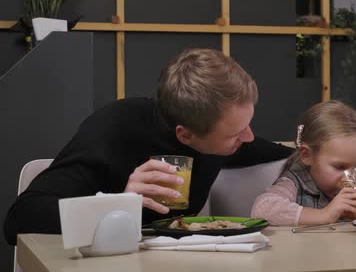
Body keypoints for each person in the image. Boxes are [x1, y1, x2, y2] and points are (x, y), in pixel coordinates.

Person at [4, 48, 292, 245]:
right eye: (235, 134)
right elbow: (20, 218)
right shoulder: (113, 131)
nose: (249, 139)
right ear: (186, 136)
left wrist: (309, 152)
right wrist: (121, 203)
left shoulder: (218, 137)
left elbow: (261, 149)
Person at [251, 100, 356, 226]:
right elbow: (262, 209)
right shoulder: (294, 182)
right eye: (339, 167)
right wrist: (325, 214)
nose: (351, 177)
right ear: (307, 156)